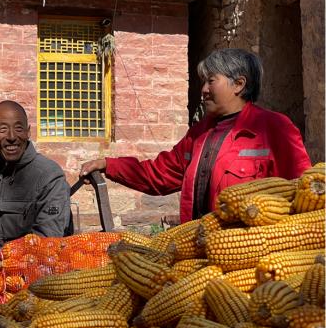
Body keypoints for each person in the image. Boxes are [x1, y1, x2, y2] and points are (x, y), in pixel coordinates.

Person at [79, 48, 311, 223]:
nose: (204, 89)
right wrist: (109, 165)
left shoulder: (274, 128)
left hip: (253, 262)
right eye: (203, 81)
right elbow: (160, 174)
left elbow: (302, 192)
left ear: (238, 84)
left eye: (211, 80)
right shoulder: (199, 133)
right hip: (202, 252)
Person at [0, 100, 72, 251]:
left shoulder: (49, 176)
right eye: (2, 129)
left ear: (28, 132)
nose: (12, 137)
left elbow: (46, 240)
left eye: (19, 128)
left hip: (31, 269)